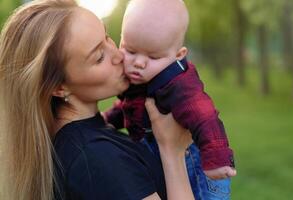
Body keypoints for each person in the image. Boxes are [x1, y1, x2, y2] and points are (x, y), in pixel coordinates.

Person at [0, 0, 196, 199]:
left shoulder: (78, 142)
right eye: (99, 56)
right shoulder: (97, 159)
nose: (119, 55)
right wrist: (172, 152)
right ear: (58, 87)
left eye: (107, 37)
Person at [104, 0, 237, 199]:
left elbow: (205, 116)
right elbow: (130, 106)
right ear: (122, 39)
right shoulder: (139, 75)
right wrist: (108, 119)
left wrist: (217, 159)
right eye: (130, 50)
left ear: (178, 55)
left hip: (197, 169)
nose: (139, 63)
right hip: (157, 155)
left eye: (154, 57)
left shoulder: (179, 83)